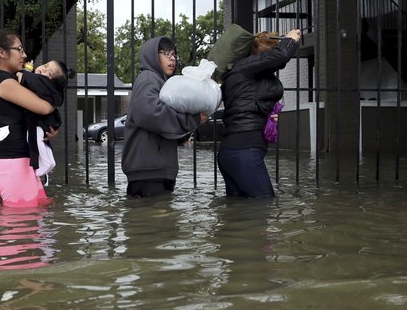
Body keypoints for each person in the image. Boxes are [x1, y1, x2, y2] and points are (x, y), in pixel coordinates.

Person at [216, 28, 302, 197]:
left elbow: (245, 105)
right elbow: (281, 55)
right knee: (264, 207)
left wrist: (267, 115)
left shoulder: (242, 74)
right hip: (244, 151)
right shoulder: (246, 67)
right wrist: (291, 39)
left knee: (237, 214)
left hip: (233, 152)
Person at [0, 29, 56, 207]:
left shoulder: (1, 80)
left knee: (40, 213)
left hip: (16, 164)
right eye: (19, 49)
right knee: (18, 226)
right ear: (1, 52)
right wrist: (54, 98)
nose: (24, 54)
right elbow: (43, 107)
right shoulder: (1, 81)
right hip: (10, 166)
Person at [121, 36, 206, 198]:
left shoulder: (162, 83)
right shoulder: (148, 79)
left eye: (174, 54)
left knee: (160, 220)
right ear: (153, 55)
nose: (172, 58)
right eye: (166, 54)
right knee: (153, 220)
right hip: (148, 169)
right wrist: (191, 120)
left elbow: (167, 128)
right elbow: (149, 114)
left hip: (155, 168)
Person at [19, 60, 72, 177]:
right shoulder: (51, 89)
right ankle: (50, 161)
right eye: (46, 66)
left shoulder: (41, 82)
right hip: (47, 122)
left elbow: (26, 79)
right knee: (43, 142)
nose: (44, 70)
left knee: (35, 139)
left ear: (51, 81)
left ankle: (45, 163)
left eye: (49, 73)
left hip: (40, 122)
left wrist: (26, 70)